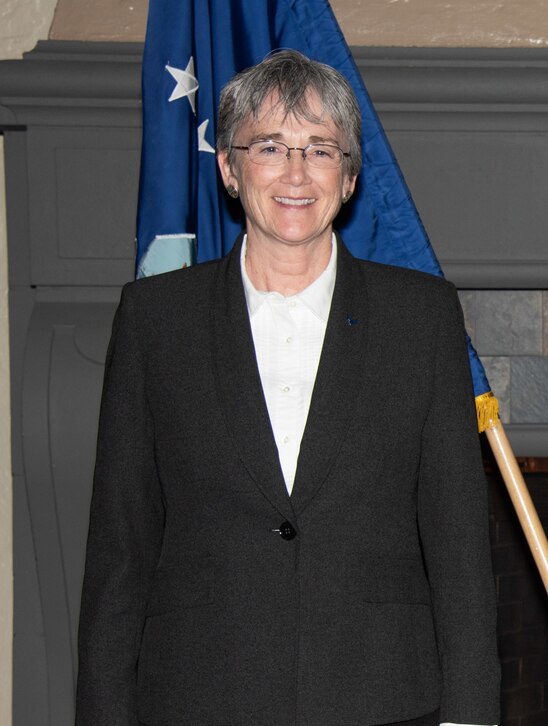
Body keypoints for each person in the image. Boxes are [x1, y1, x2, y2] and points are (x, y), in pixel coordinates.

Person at [76, 50, 499, 726]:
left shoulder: (422, 317)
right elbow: (120, 549)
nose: (296, 173)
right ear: (229, 168)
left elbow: (459, 542)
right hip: (199, 697)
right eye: (269, 146)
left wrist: (471, 714)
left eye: (321, 150)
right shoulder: (156, 320)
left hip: (383, 696)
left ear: (350, 176)